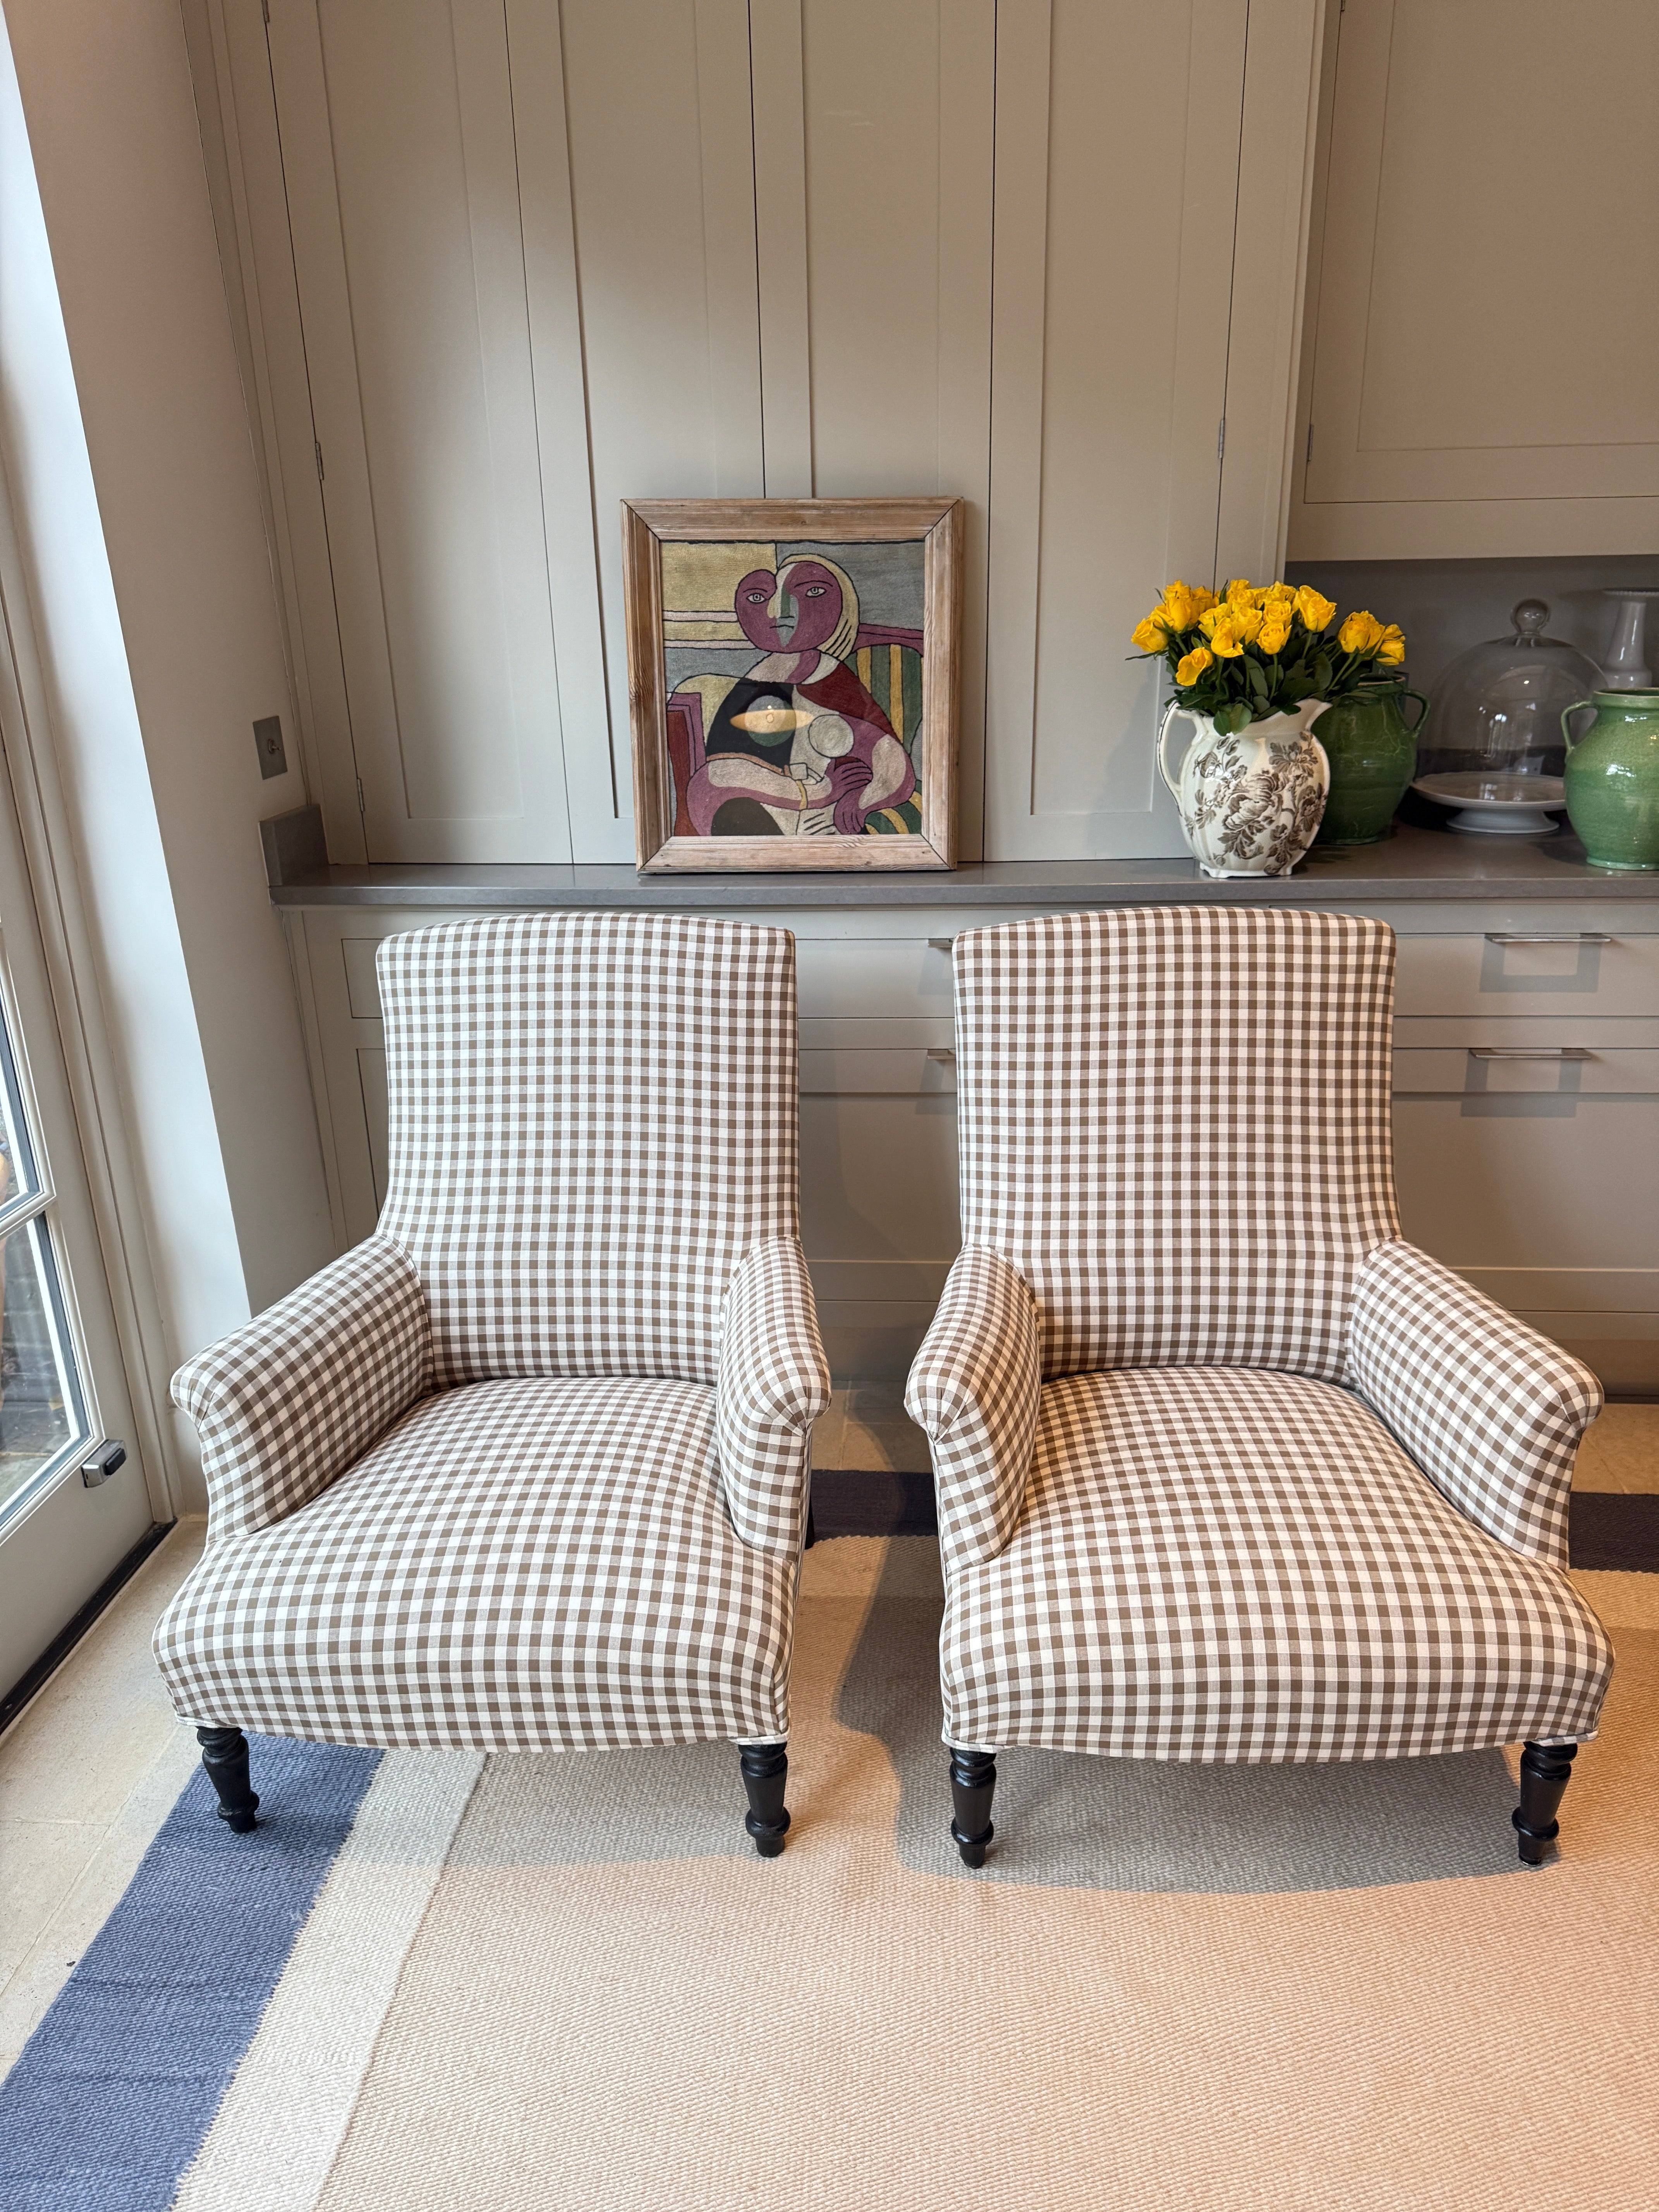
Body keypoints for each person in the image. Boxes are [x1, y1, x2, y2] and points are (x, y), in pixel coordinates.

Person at [668, 556, 917, 836]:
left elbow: (890, 760)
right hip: (758, 816)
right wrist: (815, 791)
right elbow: (717, 777)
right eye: (758, 597)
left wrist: (861, 801)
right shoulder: (757, 682)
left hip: (822, 826)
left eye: (812, 592)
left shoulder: (832, 679)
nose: (779, 612)